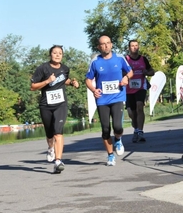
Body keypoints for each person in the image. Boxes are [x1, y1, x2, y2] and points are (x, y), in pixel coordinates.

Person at [30, 45, 79, 174]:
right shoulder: (43, 68)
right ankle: (50, 147)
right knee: (50, 134)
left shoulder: (65, 69)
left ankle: (58, 161)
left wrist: (72, 82)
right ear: (50, 55)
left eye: (60, 53)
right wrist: (47, 81)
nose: (57, 55)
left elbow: (63, 80)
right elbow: (33, 86)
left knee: (58, 132)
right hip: (46, 105)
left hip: (60, 104)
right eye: (55, 53)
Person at [85, 35, 133, 166]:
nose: (106, 46)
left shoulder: (120, 58)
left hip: (117, 97)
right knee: (105, 129)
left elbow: (130, 72)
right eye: (103, 44)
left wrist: (126, 78)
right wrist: (93, 90)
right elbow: (88, 79)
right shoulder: (95, 61)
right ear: (99, 47)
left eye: (108, 43)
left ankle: (118, 139)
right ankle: (110, 155)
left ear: (111, 44)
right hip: (102, 100)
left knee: (117, 126)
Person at [125, 39, 154, 143]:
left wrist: (146, 72)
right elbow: (120, 72)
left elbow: (152, 71)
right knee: (131, 114)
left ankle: (140, 131)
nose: (134, 47)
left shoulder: (143, 59)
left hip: (141, 87)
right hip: (128, 89)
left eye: (136, 45)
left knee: (139, 107)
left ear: (138, 47)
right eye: (132, 46)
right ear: (129, 48)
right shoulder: (125, 59)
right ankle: (136, 129)